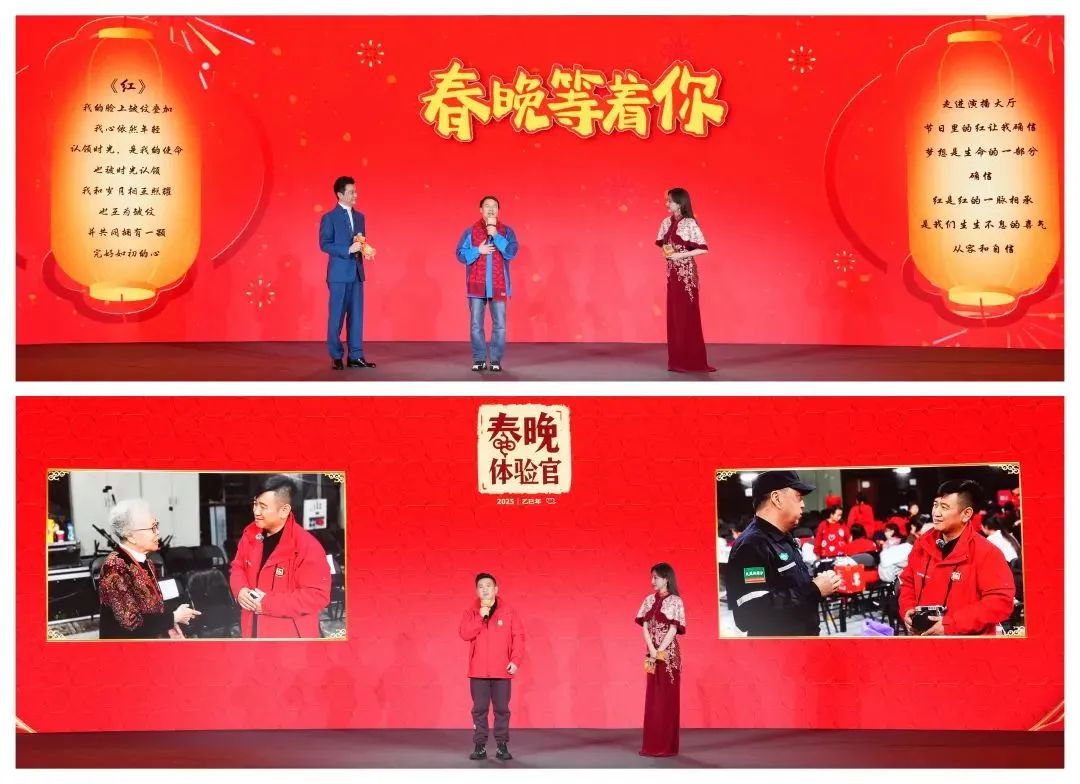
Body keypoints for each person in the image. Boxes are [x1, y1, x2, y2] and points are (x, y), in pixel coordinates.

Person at [725, 471, 843, 636]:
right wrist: (814, 589)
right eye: (798, 497)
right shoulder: (752, 546)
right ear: (777, 498)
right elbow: (750, 613)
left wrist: (822, 584)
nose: (803, 504)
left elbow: (789, 587)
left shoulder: (783, 537)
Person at [899, 480, 1015, 636]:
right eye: (935, 505)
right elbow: (907, 582)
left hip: (968, 644)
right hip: (925, 639)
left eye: (944, 507)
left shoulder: (987, 553)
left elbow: (1000, 602)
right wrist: (908, 609)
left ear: (966, 514)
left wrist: (951, 624)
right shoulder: (922, 544)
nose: (936, 513)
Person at [229, 475, 331, 638]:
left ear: (284, 510)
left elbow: (317, 596)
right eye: (255, 503)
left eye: (263, 506)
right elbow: (238, 566)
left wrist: (267, 604)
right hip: (252, 629)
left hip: (290, 638)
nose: (256, 511)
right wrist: (240, 589)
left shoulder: (307, 546)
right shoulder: (250, 534)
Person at [98, 499, 199, 639]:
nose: (158, 533)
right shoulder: (114, 567)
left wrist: (170, 626)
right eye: (152, 528)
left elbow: (154, 607)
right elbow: (131, 623)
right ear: (131, 536)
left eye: (157, 526)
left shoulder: (147, 562)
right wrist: (173, 617)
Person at [458, 572, 525, 761]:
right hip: (478, 671)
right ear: (477, 591)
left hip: (502, 670)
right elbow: (464, 633)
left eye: (488, 586)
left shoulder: (509, 611)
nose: (485, 589)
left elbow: (518, 637)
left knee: (502, 709)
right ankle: (479, 746)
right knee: (479, 710)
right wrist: (480, 617)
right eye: (481, 587)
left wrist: (515, 661)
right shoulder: (471, 611)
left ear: (496, 589)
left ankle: (502, 745)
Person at [456, 196, 520, 372]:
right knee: (476, 325)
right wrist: (478, 250)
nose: (491, 209)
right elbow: (460, 254)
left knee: (500, 325)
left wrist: (496, 236)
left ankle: (495, 360)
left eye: (494, 206)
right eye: (487, 206)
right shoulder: (470, 232)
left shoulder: (507, 231)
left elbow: (511, 252)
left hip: (498, 285)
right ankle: (479, 359)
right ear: (481, 210)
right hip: (476, 286)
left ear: (498, 210)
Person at [655, 188, 715, 373]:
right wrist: (668, 253)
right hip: (672, 274)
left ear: (680, 203)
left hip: (686, 275)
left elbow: (703, 249)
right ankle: (677, 361)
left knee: (687, 316)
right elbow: (664, 245)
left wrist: (681, 255)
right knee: (675, 316)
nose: (667, 204)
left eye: (670, 201)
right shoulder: (666, 222)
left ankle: (692, 361)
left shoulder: (689, 223)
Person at [319, 175, 375, 370]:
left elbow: (361, 241)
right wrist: (347, 250)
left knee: (357, 317)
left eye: (355, 191)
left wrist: (366, 249)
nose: (355, 195)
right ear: (340, 194)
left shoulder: (360, 217)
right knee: (336, 317)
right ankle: (336, 356)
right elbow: (324, 244)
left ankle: (355, 356)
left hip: (356, 273)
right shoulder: (329, 218)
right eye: (351, 192)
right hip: (338, 275)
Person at [636, 563, 686, 757]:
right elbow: (644, 627)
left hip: (669, 656)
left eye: (656, 577)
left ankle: (666, 746)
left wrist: (659, 650)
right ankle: (651, 745)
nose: (652, 581)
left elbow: (673, 629)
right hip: (651, 655)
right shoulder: (648, 600)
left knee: (667, 700)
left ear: (666, 578)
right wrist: (651, 649)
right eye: (652, 577)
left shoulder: (676, 602)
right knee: (653, 699)